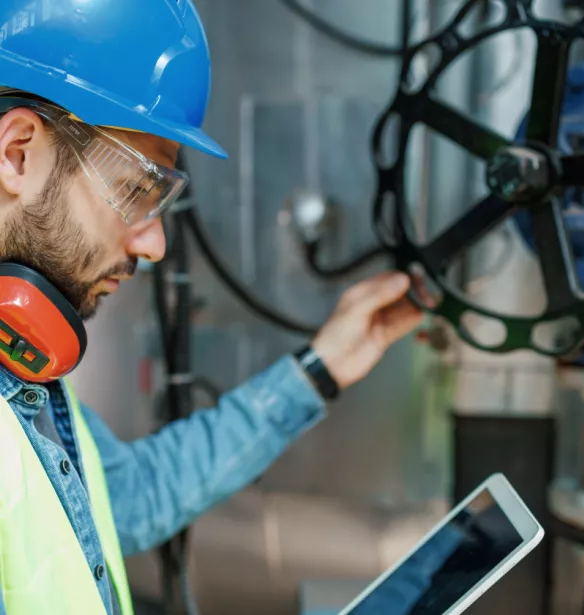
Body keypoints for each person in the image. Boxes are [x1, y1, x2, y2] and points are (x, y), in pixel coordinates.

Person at [0, 2, 428, 614]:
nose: (155, 242)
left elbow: (124, 500)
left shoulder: (21, 367)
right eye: (133, 192)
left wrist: (319, 367)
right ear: (17, 153)